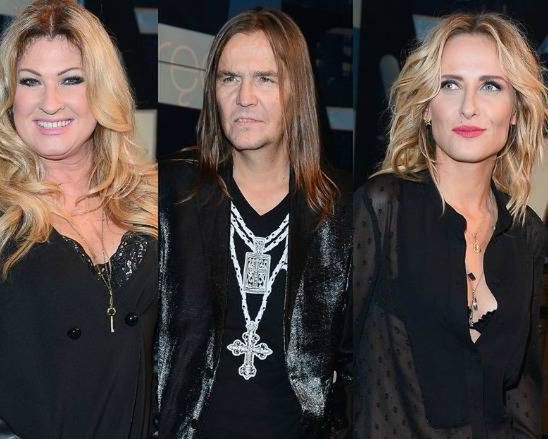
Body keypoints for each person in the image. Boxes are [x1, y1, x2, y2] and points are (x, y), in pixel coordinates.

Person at [0, 1, 158, 438]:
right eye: (30, 81)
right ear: (9, 95)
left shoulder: (152, 204)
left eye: (71, 80)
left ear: (103, 89)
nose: (50, 103)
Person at [155, 8, 351, 439]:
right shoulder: (170, 194)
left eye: (265, 78)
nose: (244, 97)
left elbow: (362, 356)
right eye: (229, 78)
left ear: (297, 90)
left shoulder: (342, 211)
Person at [351, 12, 547, 438]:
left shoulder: (526, 232)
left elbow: (523, 388)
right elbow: (334, 356)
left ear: (516, 111)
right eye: (450, 84)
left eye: (491, 86)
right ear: (425, 107)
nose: (468, 106)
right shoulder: (382, 207)